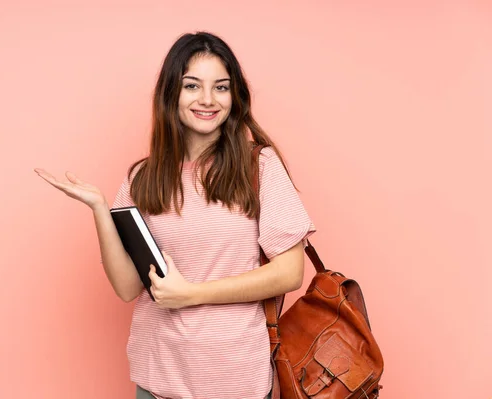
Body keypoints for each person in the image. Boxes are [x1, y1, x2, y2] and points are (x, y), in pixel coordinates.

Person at [34, 31, 315, 399]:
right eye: (192, 86)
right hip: (157, 378)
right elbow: (127, 287)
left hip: (233, 380)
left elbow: (290, 272)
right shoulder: (142, 177)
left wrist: (192, 294)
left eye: (221, 87)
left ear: (234, 96)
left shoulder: (258, 165)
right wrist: (101, 209)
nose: (207, 100)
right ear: (172, 93)